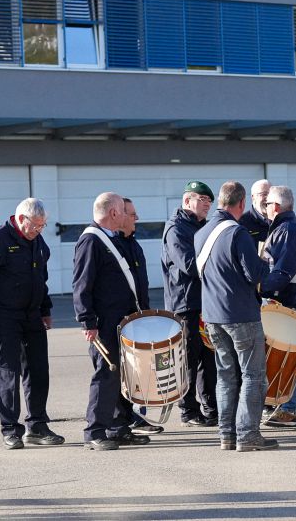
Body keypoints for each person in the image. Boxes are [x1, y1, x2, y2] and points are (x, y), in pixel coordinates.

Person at [194, 181, 275, 451]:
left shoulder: (201, 232)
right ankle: (248, 434)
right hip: (240, 313)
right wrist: (265, 261)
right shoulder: (238, 233)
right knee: (253, 376)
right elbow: (254, 275)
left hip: (212, 315)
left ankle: (226, 434)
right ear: (242, 204)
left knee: (226, 376)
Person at [0, 198, 63, 450]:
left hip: (32, 316)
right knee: (7, 374)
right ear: (20, 219)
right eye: (36, 226)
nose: (39, 230)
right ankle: (10, 429)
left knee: (38, 371)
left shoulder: (37, 241)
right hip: (2, 317)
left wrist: (45, 309)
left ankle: (37, 425)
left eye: (43, 226)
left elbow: (42, 278)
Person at [73, 192, 150, 450]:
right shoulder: (91, 241)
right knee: (106, 375)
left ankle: (118, 427)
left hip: (122, 320)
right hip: (103, 323)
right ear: (114, 213)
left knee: (122, 376)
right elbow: (82, 285)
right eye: (124, 212)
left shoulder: (114, 239)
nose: (130, 217)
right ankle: (94, 431)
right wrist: (87, 321)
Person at [162, 181, 219, 427]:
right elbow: (188, 264)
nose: (207, 205)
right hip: (185, 305)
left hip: (205, 303)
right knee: (188, 359)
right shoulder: (176, 229)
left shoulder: (201, 226)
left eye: (210, 201)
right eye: (202, 200)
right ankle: (188, 410)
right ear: (187, 201)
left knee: (208, 357)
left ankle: (211, 407)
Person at [260, 185, 296, 428]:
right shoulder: (285, 229)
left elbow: (283, 271)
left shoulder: (287, 230)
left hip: (289, 300)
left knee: (292, 356)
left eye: (266, 205)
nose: (264, 210)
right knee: (288, 355)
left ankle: (294, 408)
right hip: (288, 299)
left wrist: (260, 289)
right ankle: (290, 406)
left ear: (276, 206)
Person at [119, 198, 162, 435]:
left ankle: (133, 416)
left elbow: (141, 285)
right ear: (119, 215)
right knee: (123, 374)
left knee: (137, 371)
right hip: (120, 320)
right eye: (132, 214)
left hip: (137, 317)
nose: (137, 218)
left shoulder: (133, 244)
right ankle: (123, 419)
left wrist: (146, 315)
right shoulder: (113, 245)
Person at [239, 179, 271, 245]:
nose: (268, 198)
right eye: (264, 194)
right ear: (253, 197)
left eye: (271, 194)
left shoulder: (280, 221)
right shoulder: (242, 223)